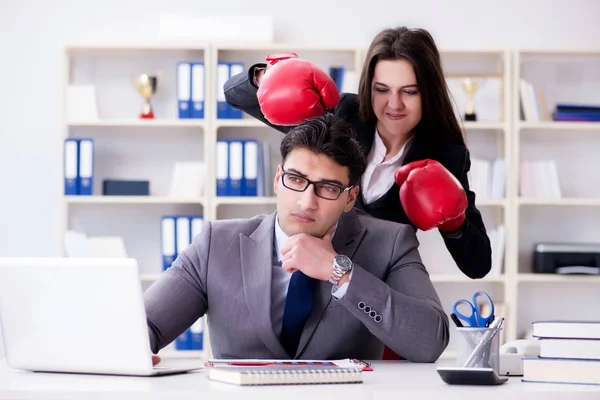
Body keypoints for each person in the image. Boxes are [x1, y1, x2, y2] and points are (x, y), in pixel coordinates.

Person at [144, 115, 449, 365]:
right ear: (278, 179)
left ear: (350, 198)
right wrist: (134, 350)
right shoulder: (217, 244)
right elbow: (145, 326)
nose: (307, 202)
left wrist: (340, 272)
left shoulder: (390, 242)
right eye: (296, 180)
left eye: (328, 188)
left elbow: (429, 341)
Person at [223, 26, 492, 281]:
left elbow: (479, 265)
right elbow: (234, 94)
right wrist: (270, 76)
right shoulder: (344, 114)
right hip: (304, 274)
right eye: (382, 90)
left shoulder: (446, 155)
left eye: (409, 92)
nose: (394, 104)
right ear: (369, 86)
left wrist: (454, 224)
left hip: (370, 290)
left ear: (428, 94)